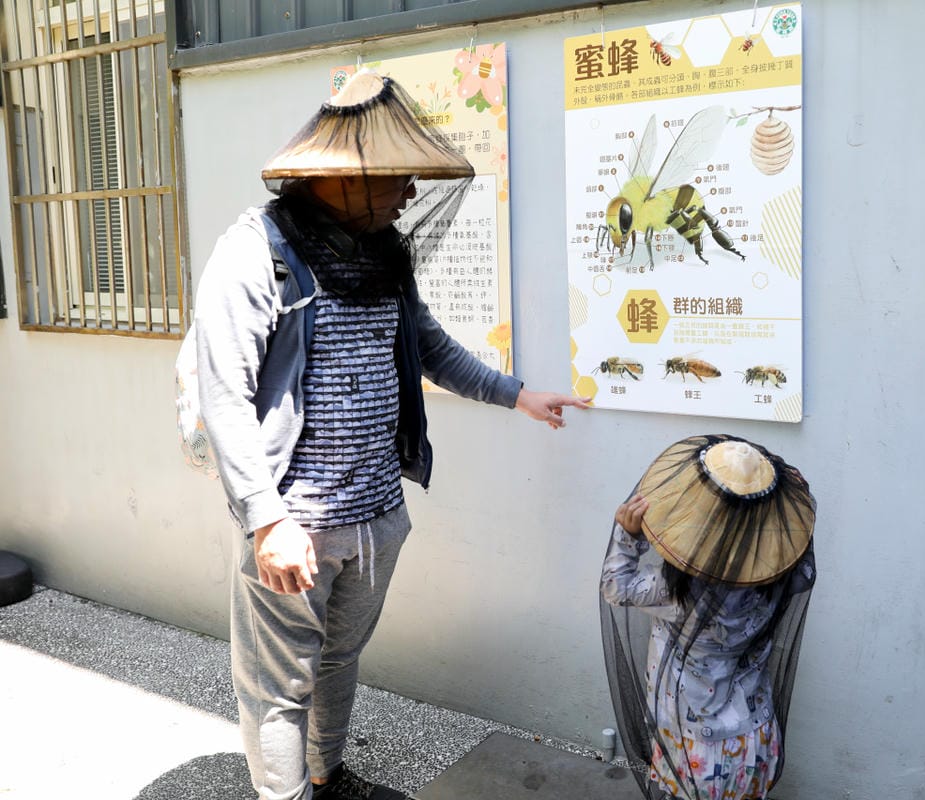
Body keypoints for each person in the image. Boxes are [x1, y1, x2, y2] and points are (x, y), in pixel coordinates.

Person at [193, 69, 588, 800]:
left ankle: (326, 775)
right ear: (344, 178)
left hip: (377, 515)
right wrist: (265, 518)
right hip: (294, 526)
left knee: (338, 661)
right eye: (398, 177)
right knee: (279, 687)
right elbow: (225, 395)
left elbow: (430, 346)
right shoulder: (252, 252)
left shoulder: (380, 252)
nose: (409, 193)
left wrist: (518, 395)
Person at [600, 435, 816, 800]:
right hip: (754, 738)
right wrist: (799, 506)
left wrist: (628, 534)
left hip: (694, 749)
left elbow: (615, 586)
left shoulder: (677, 590)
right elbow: (804, 569)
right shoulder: (778, 580)